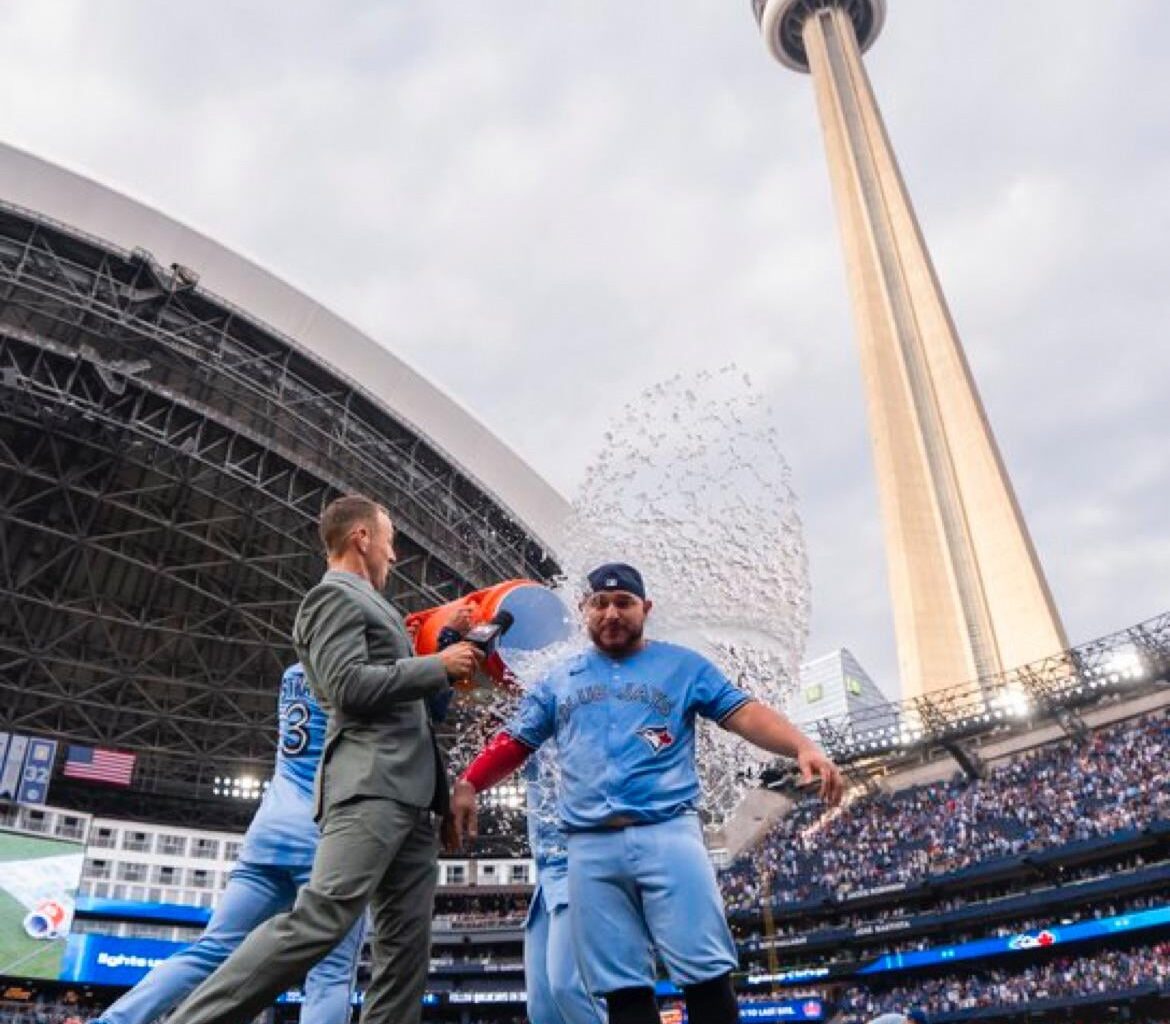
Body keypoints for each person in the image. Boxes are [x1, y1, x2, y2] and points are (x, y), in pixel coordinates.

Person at [452, 562, 844, 1024]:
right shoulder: (559, 679)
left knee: (706, 974)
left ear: (646, 608)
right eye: (600, 603)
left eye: (624, 603)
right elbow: (515, 741)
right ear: (584, 611)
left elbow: (742, 713)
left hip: (668, 831)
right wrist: (469, 782)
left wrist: (801, 745)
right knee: (622, 990)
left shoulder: (682, 665)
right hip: (589, 844)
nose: (611, 613)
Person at [170, 495, 483, 1024]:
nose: (394, 555)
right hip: (369, 787)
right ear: (361, 537)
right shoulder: (332, 597)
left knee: (405, 952)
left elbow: (427, 706)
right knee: (321, 919)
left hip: (412, 796)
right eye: (389, 540)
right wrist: (434, 663)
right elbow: (346, 688)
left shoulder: (378, 610)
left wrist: (451, 649)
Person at [92, 664, 365, 1024]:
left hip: (268, 831)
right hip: (323, 833)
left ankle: (112, 1022)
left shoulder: (292, 673)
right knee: (330, 972)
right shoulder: (354, 677)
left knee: (209, 950)